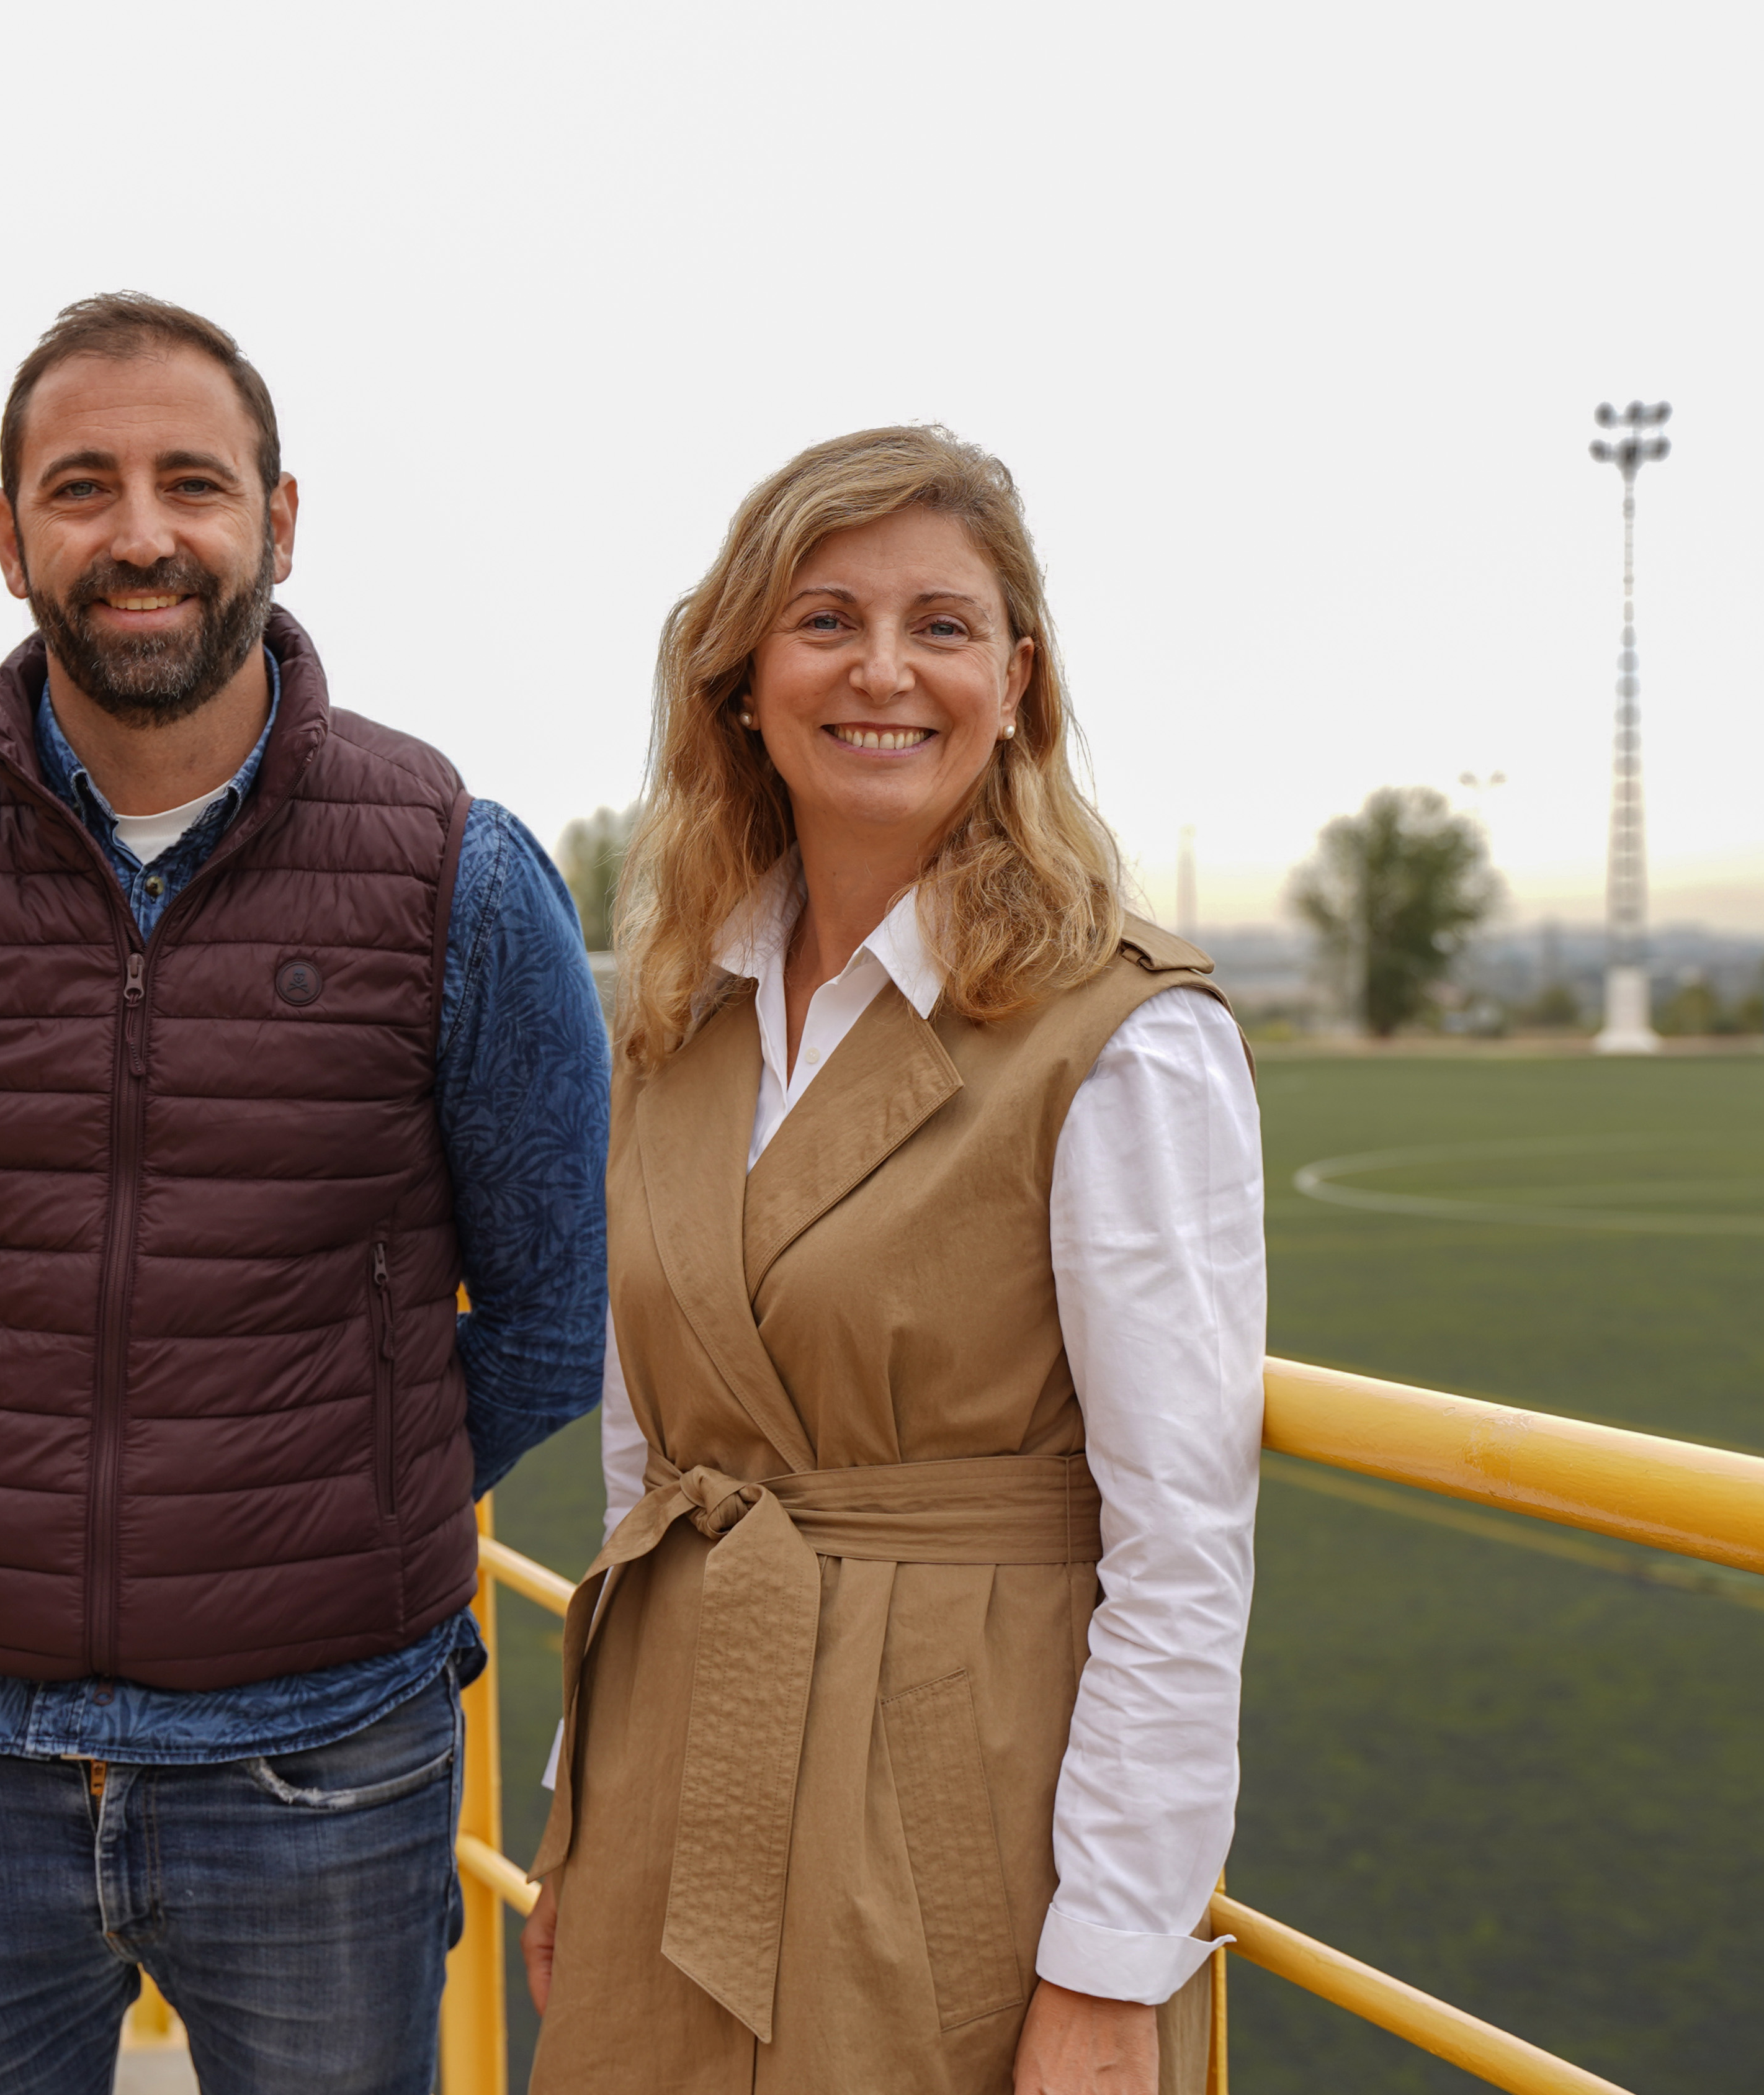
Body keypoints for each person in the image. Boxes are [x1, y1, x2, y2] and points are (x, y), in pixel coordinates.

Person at [0, 293, 609, 2095]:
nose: (141, 535)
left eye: (192, 484)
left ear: (280, 523)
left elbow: (549, 1311)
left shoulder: (461, 870)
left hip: (324, 1754)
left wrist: (334, 1510)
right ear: (7, 539)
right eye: (83, 487)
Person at [517, 427, 1263, 2094]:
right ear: (741, 682)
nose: (883, 672)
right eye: (825, 619)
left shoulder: (1120, 1036)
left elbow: (1182, 1542)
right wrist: (584, 1806)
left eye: (940, 626)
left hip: (951, 1790)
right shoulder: (676, 1017)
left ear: (1018, 684)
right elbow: (656, 1465)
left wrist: (1109, 1967)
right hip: (672, 1780)